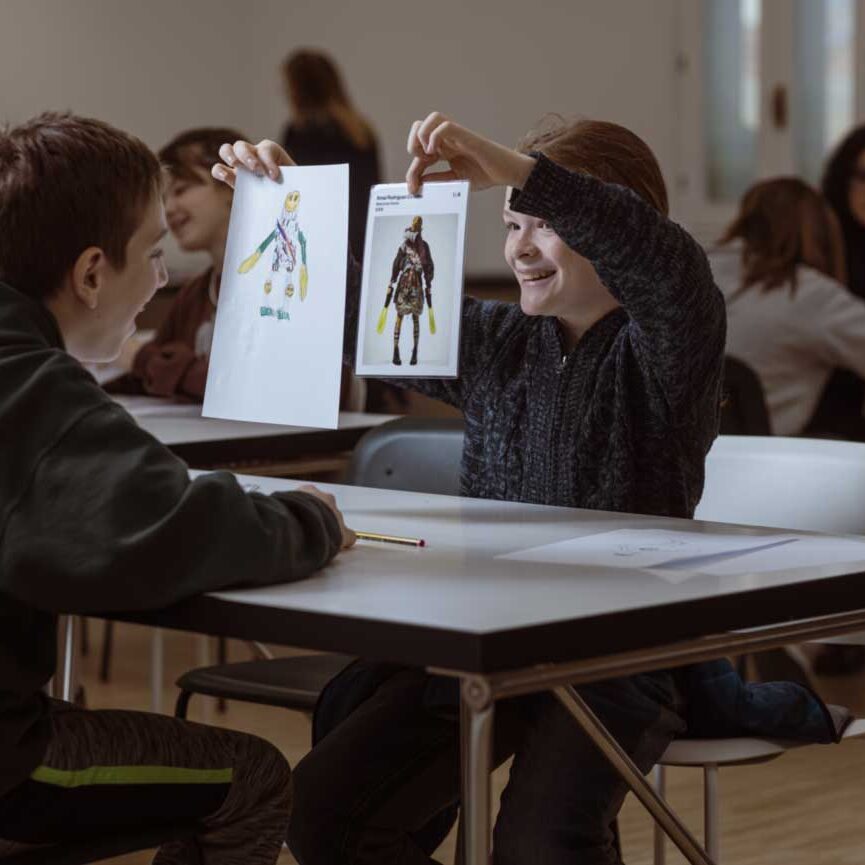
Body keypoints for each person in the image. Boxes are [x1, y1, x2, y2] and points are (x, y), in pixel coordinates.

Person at [215, 115, 848, 865]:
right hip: (487, 646)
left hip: (617, 656)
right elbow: (359, 317)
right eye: (512, 223)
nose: (518, 246)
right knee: (325, 811)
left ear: (610, 225)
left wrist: (518, 167)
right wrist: (295, 202)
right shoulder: (496, 342)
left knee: (541, 844)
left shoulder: (668, 348)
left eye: (542, 224)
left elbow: (667, 267)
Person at [0, 112, 355, 863]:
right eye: (153, 255)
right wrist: (308, 519)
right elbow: (157, 528)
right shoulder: (33, 383)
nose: (161, 279)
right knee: (255, 777)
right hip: (7, 763)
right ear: (93, 272)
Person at [709, 177, 865, 437]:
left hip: (679, 460)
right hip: (769, 463)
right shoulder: (809, 295)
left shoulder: (695, 269)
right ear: (820, 232)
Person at [118, 127, 242, 400]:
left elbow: (252, 388)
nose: (169, 209)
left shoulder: (282, 283)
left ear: (234, 186)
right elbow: (150, 375)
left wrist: (141, 357)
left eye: (181, 190)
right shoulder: (195, 293)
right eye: (164, 198)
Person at [281, 49, 381, 262]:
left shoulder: (300, 133)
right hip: (363, 237)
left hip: (323, 239)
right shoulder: (361, 131)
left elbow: (295, 193)